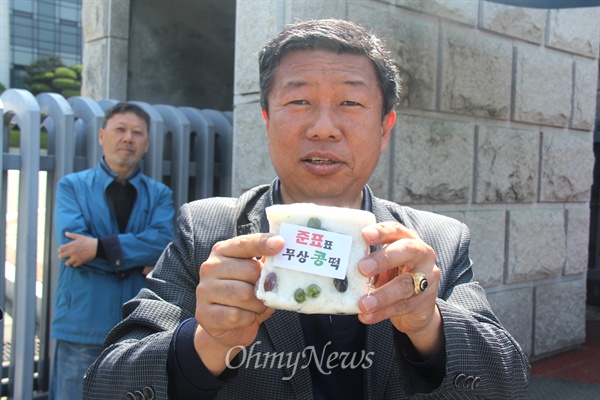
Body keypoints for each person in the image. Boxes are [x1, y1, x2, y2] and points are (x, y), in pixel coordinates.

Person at [83, 19, 530, 399]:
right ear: (266, 119)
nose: (323, 128)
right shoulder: (208, 232)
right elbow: (108, 384)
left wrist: (428, 324)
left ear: (384, 127)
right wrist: (205, 343)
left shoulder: (436, 243)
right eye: (299, 101)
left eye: (350, 103)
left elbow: (506, 382)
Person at [50, 102, 175, 399]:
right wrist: (138, 260)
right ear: (102, 136)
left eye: (137, 132)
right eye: (120, 129)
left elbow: (162, 243)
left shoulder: (160, 195)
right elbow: (72, 249)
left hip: (136, 326)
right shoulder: (72, 187)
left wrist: (96, 248)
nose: (128, 138)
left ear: (145, 144)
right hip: (82, 322)